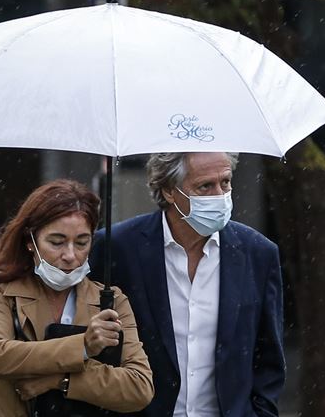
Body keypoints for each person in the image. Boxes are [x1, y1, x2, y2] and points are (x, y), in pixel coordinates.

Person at [90, 152, 285, 417]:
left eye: (225, 182)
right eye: (205, 186)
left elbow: (269, 357)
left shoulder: (258, 253)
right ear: (169, 191)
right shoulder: (118, 247)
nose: (219, 195)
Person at [0, 179, 154, 416]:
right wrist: (83, 346)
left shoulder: (112, 300)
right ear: (30, 241)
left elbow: (139, 388)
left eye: (81, 242)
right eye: (56, 242)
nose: (70, 255)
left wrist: (62, 379)